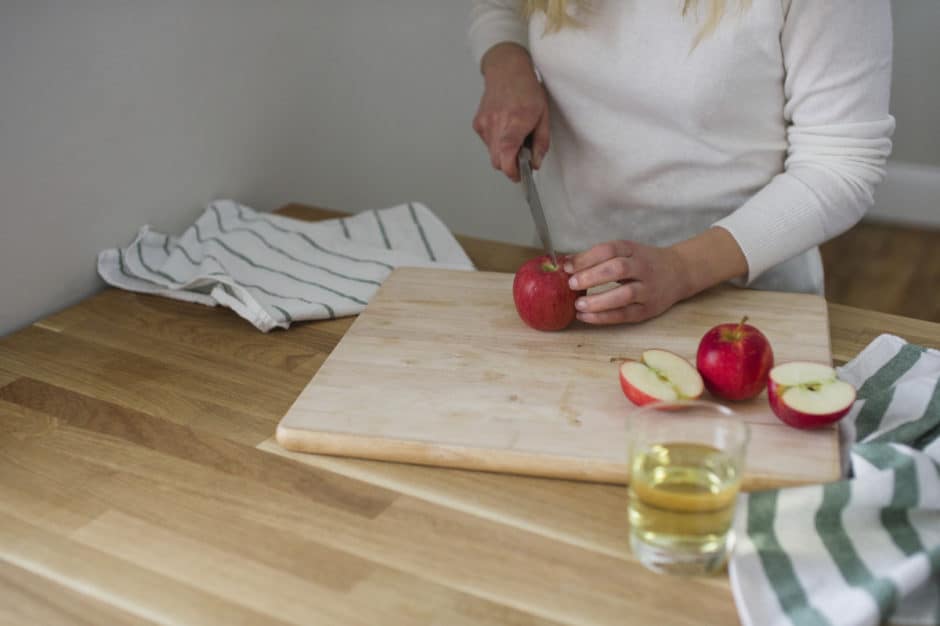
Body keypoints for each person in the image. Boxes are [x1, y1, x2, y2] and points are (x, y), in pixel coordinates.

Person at [469, 0, 894, 324]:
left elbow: (842, 164)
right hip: (575, 289)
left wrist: (683, 267)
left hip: (746, 308)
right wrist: (506, 58)